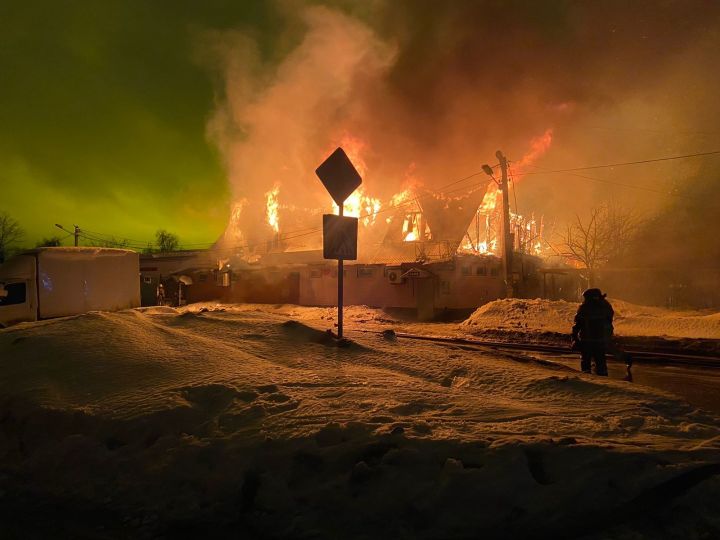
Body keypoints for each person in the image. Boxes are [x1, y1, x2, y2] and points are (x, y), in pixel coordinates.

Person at [571, 288, 614, 376]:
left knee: (586, 363)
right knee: (601, 361)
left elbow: (577, 324)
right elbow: (609, 323)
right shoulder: (605, 306)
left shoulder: (584, 308)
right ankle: (604, 380)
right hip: (600, 341)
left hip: (587, 340)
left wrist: (575, 338)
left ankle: (588, 380)